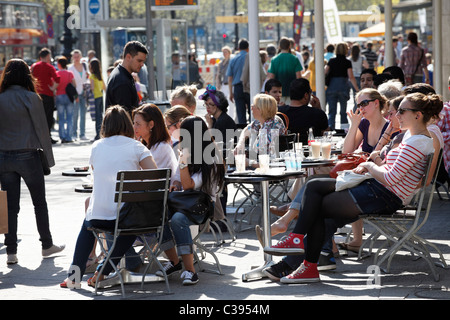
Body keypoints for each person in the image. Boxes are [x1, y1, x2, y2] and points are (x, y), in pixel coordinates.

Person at [264, 92, 443, 283]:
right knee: (314, 186)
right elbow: (390, 169)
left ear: (418, 115)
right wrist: (376, 159)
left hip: (382, 194)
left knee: (316, 202)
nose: (396, 114)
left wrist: (369, 165)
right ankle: (300, 254)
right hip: (377, 190)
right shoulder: (411, 136)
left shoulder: (417, 141)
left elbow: (391, 177)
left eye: (402, 111)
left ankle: (299, 251)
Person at [60, 106, 158, 288]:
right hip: (125, 218)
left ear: (105, 125)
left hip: (98, 216)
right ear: (128, 125)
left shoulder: (97, 146)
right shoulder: (137, 147)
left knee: (88, 224)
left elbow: (97, 173)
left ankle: (73, 278)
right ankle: (103, 270)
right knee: (133, 224)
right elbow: (157, 177)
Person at [0, 59, 64, 265]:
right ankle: (46, 244)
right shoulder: (31, 98)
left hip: (4, 156)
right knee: (39, 203)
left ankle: (11, 251)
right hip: (28, 155)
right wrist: (49, 160)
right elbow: (42, 131)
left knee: (10, 207)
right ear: (27, 75)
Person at [156, 116, 225, 285]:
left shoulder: (211, 158)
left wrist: (183, 163)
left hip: (203, 206)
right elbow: (181, 182)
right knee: (156, 213)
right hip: (185, 203)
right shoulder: (189, 153)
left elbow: (189, 185)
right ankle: (174, 262)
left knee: (178, 219)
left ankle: (190, 271)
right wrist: (177, 181)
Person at [133, 103, 178, 183]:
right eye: (134, 123)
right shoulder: (147, 145)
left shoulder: (161, 147)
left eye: (138, 124)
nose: (134, 127)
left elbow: (148, 180)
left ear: (151, 125)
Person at [277, 78, 329, 145]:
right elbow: (327, 135)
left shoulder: (279, 113)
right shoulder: (317, 114)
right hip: (313, 152)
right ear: (306, 95)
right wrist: (319, 109)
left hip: (285, 153)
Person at [235, 93, 286, 158]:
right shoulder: (266, 120)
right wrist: (240, 143)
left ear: (261, 110)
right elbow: (247, 129)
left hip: (270, 165)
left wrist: (248, 162)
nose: (251, 108)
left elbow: (267, 160)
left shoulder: (270, 128)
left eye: (254, 106)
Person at [105, 41, 148, 115]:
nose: (142, 64)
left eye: (143, 61)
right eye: (139, 61)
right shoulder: (122, 80)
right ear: (128, 57)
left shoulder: (120, 73)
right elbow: (126, 117)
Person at [325, 42, 359, 130]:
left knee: (332, 111)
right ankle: (344, 128)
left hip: (332, 87)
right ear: (346, 50)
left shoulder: (331, 61)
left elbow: (324, 72)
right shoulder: (347, 62)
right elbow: (351, 77)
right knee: (343, 111)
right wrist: (357, 89)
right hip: (343, 87)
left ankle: (331, 127)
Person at [31, 48, 60, 144]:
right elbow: (57, 79)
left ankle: (38, 137)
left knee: (37, 116)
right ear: (48, 56)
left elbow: (30, 79)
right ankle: (47, 137)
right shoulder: (49, 67)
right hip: (48, 94)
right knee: (48, 116)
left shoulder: (34, 66)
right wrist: (53, 88)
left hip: (36, 95)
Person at [267, 37, 303, 105]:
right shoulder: (294, 59)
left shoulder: (274, 60)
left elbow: (271, 78)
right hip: (292, 93)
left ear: (279, 46)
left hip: (278, 93)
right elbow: (299, 77)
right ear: (289, 46)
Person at [227, 38, 250, 124]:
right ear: (248, 48)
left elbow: (230, 78)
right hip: (249, 86)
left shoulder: (233, 59)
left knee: (240, 112)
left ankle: (243, 132)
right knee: (252, 110)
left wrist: (230, 92)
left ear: (239, 48)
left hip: (237, 87)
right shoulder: (251, 58)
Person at [69, 49, 89, 141]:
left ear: (80, 57)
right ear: (72, 57)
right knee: (75, 114)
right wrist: (74, 94)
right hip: (75, 94)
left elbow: (87, 78)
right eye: (75, 57)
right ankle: (73, 134)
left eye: (78, 56)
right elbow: (70, 83)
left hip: (84, 93)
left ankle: (82, 134)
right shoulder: (70, 68)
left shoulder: (85, 66)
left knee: (83, 114)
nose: (76, 58)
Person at [55, 57, 76, 143]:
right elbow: (74, 84)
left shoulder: (57, 73)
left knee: (61, 118)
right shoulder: (70, 73)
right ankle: (69, 137)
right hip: (68, 97)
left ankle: (62, 137)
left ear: (59, 64)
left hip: (59, 96)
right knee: (69, 117)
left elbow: (54, 85)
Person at [89, 58, 106, 141]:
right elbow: (104, 87)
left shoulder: (91, 76)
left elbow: (92, 88)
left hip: (95, 97)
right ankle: (102, 133)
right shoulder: (100, 75)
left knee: (97, 117)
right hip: (101, 96)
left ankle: (97, 135)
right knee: (101, 116)